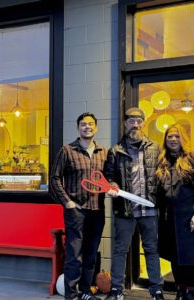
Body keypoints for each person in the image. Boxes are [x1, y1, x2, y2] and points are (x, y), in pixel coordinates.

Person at [103, 107, 165, 300]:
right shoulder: (115, 150)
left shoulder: (155, 148)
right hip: (125, 210)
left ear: (144, 123)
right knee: (120, 249)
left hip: (149, 209)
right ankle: (116, 290)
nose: (135, 125)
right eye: (131, 121)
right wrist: (112, 186)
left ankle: (156, 290)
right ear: (125, 123)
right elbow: (109, 177)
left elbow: (163, 175)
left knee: (151, 249)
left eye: (139, 121)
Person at [50, 112, 107, 300]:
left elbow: (109, 179)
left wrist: (113, 186)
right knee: (75, 255)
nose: (87, 127)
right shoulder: (67, 150)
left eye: (91, 124)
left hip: (97, 210)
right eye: (83, 124)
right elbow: (55, 179)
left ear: (96, 127)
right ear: (78, 128)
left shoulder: (103, 153)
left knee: (91, 254)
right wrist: (67, 202)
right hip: (76, 211)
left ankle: (85, 291)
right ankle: (71, 295)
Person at [155, 124, 194, 300]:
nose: (173, 139)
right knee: (174, 256)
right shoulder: (161, 161)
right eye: (170, 136)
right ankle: (180, 289)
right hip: (168, 218)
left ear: (182, 139)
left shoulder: (193, 158)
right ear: (165, 139)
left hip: (189, 216)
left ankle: (190, 290)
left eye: (177, 136)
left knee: (189, 256)